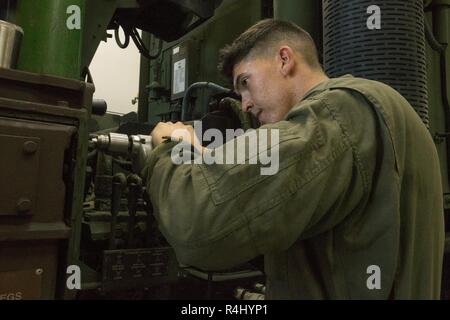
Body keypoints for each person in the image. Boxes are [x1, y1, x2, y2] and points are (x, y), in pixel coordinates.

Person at [142, 19, 445, 299]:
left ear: (284, 59)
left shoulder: (337, 113)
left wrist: (168, 149)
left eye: (245, 82)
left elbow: (198, 226)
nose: (244, 104)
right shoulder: (375, 107)